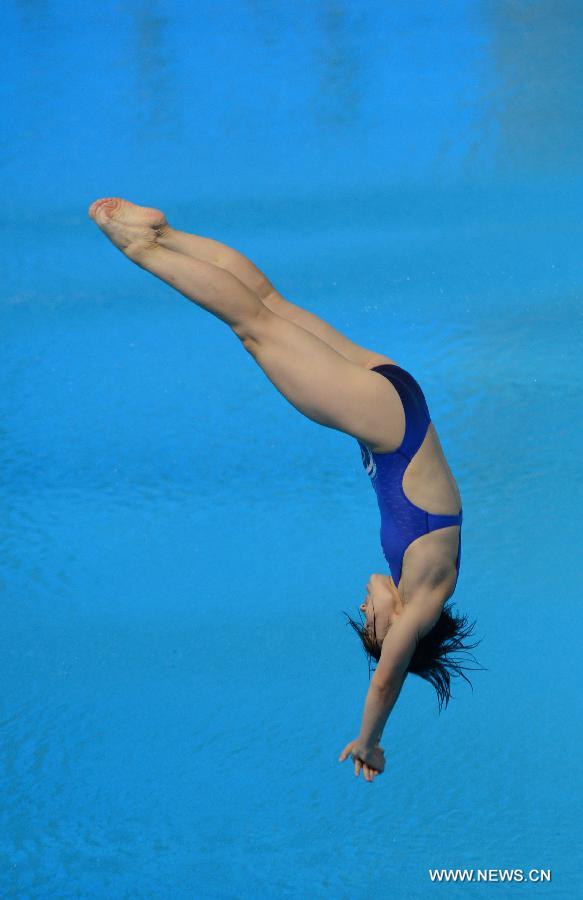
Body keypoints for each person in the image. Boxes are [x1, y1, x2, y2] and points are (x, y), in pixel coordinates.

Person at [88, 197, 482, 784]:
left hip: (399, 405)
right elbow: (386, 677)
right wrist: (369, 741)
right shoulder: (422, 602)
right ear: (396, 627)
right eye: (371, 625)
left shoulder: (418, 578)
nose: (364, 609)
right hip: (386, 424)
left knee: (271, 307)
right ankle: (145, 250)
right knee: (255, 326)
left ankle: (166, 234)